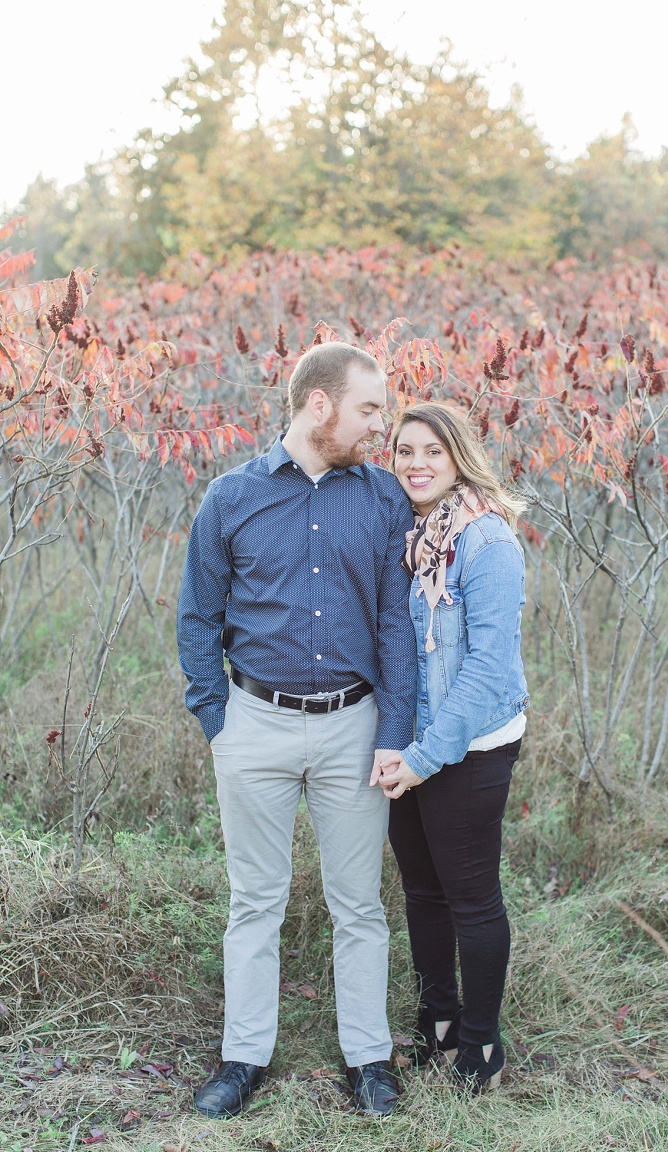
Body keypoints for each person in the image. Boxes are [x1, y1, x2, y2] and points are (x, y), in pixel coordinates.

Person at [177, 342, 416, 1119]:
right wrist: (219, 721)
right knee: (255, 902)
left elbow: (394, 621)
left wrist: (394, 731)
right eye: (369, 409)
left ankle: (369, 1061)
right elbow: (198, 616)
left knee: (360, 905)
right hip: (254, 724)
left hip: (355, 726)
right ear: (320, 405)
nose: (379, 425)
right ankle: (243, 1059)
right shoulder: (231, 497)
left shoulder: (382, 498)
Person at [371, 400, 529, 1093]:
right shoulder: (410, 537)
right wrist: (399, 745)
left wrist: (425, 757)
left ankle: (481, 1045)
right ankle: (437, 1019)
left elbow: (487, 668)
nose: (417, 464)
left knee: (471, 897)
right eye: (405, 451)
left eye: (432, 450)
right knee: (422, 890)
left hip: (472, 746)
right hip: (411, 742)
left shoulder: (486, 541)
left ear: (458, 457)